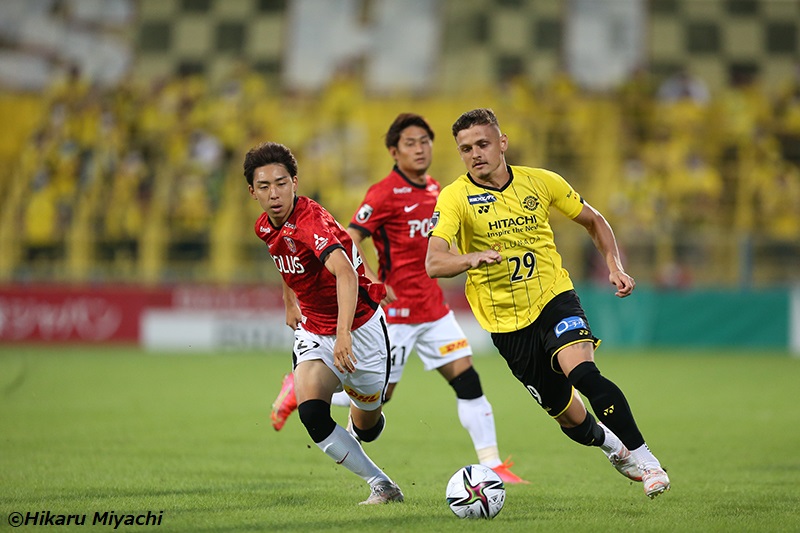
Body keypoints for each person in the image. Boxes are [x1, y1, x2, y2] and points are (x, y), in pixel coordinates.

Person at [425, 108, 670, 499]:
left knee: (584, 375)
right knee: (570, 419)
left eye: (483, 144)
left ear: (502, 143)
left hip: (553, 296)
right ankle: (611, 445)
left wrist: (614, 266)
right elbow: (434, 262)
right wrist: (470, 258)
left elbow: (594, 220)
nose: (475, 154)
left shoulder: (540, 182)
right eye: (466, 148)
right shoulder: (455, 197)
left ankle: (648, 461)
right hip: (506, 324)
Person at [270, 113, 527, 484]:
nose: (420, 149)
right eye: (410, 143)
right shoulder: (384, 193)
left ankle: (493, 464)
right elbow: (348, 238)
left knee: (467, 380)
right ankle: (301, 387)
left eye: (425, 141)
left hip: (433, 310)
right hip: (396, 314)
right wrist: (373, 279)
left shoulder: (438, 190)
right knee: (376, 400)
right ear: (394, 151)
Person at [244, 141, 403, 505]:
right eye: (264, 186)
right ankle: (382, 485)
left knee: (369, 427)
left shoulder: (310, 222)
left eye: (281, 183)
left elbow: (345, 274)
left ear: (295, 183)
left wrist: (344, 334)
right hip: (315, 329)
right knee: (313, 414)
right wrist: (289, 300)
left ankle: (349, 398)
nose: (274, 194)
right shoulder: (264, 226)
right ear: (252, 192)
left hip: (360, 327)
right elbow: (284, 256)